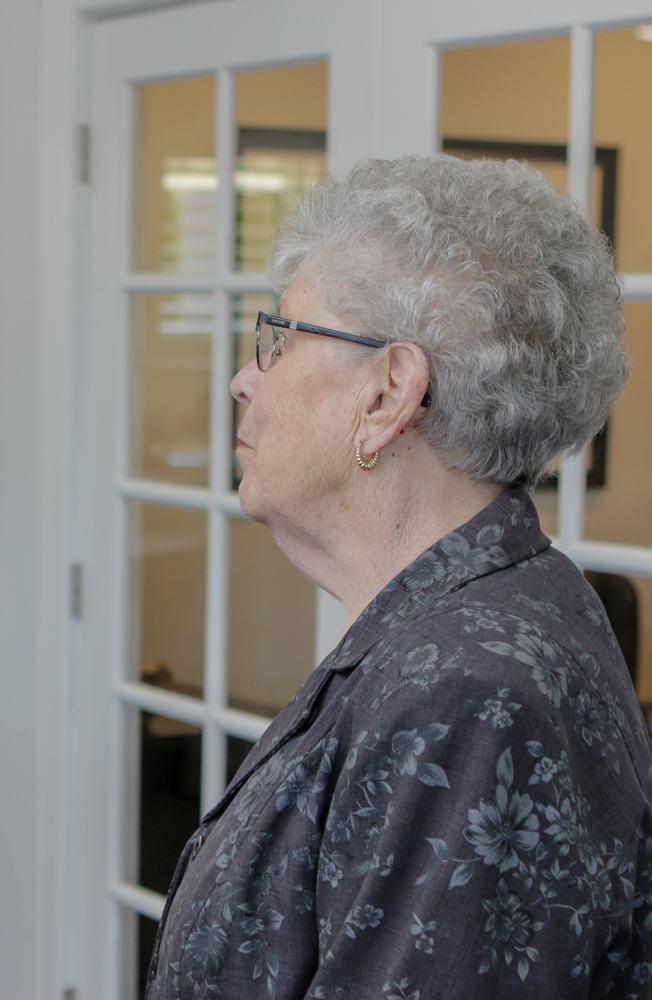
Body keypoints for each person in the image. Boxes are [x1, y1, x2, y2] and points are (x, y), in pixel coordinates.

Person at [146, 155, 652, 998]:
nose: (244, 379)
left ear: (388, 396)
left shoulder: (467, 697)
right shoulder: (468, 618)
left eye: (279, 338)